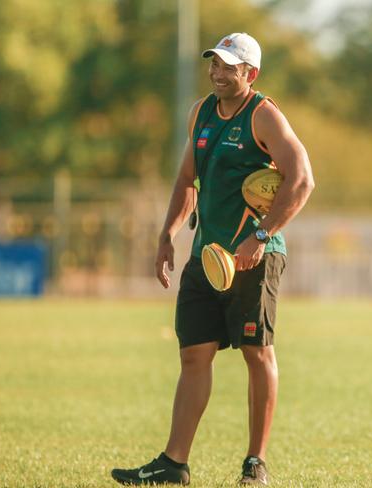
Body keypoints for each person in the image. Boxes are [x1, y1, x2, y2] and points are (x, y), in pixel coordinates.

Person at [111, 32, 314, 486]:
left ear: (250, 74)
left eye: (227, 66)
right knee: (193, 355)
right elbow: (187, 178)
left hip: (255, 256)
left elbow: (302, 180)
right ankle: (173, 463)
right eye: (214, 64)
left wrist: (261, 236)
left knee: (256, 352)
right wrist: (166, 234)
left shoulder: (264, 116)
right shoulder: (201, 113)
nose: (216, 72)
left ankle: (255, 462)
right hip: (208, 255)